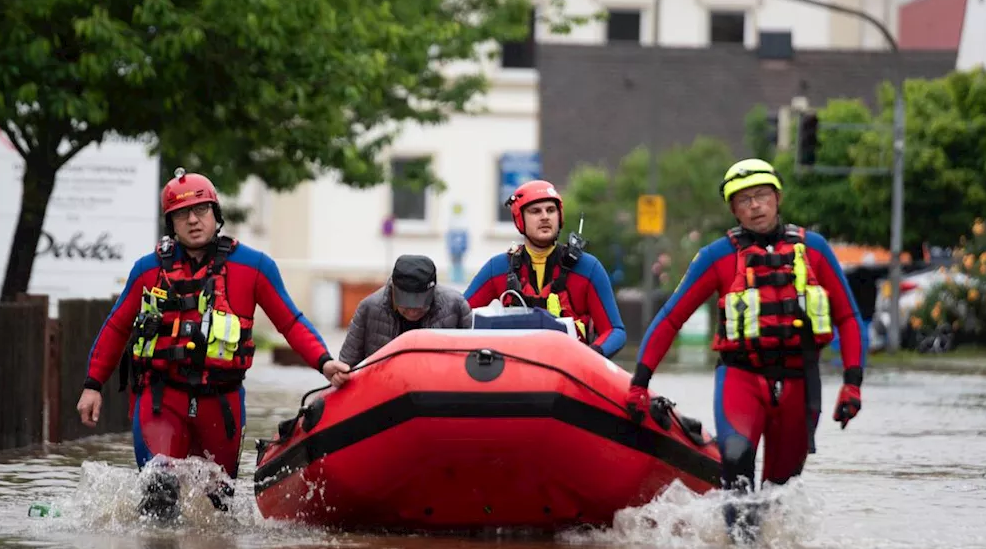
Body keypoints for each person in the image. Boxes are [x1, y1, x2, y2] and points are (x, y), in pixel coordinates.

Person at [75, 167, 350, 516]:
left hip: (222, 404)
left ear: (216, 214)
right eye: (181, 214)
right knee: (160, 490)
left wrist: (324, 362)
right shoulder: (147, 270)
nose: (193, 220)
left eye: (201, 210)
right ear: (170, 224)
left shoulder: (255, 267)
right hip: (162, 400)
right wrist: (92, 384)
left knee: (218, 509)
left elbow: (291, 322)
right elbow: (116, 327)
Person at [625, 158, 864, 538]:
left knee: (781, 490)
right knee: (737, 467)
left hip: (800, 384)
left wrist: (853, 383)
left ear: (777, 198)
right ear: (734, 209)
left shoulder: (815, 249)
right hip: (742, 378)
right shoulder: (716, 257)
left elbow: (849, 317)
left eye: (762, 196)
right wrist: (639, 383)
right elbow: (671, 318)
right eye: (745, 199)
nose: (755, 205)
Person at [464, 179, 626, 357]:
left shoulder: (588, 268)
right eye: (535, 211)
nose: (545, 217)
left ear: (559, 216)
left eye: (550, 210)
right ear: (520, 219)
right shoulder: (498, 268)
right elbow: (458, 315)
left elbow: (615, 331)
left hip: (570, 370)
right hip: (515, 370)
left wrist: (591, 356)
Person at [339, 254, 473, 367]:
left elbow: (470, 363)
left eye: (420, 304)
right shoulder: (369, 308)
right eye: (406, 305)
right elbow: (347, 365)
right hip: (385, 391)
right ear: (393, 290)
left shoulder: (456, 306)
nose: (413, 311)